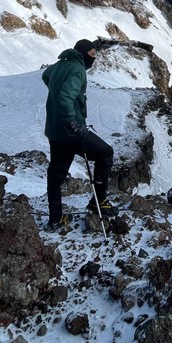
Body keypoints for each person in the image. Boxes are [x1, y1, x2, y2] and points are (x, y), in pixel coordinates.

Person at [42, 38, 116, 229]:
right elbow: (65, 96)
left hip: (55, 131)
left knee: (55, 175)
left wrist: (56, 90)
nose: (94, 58)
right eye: (92, 54)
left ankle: (56, 218)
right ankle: (99, 201)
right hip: (71, 132)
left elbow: (46, 76)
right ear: (82, 53)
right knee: (105, 153)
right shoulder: (78, 69)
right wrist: (72, 121)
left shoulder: (60, 65)